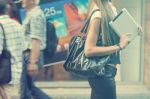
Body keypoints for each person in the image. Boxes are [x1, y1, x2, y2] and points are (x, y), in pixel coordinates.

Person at [84, 0, 139, 99]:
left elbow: (115, 40)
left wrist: (131, 31)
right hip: (102, 72)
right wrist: (119, 46)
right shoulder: (98, 14)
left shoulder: (109, 9)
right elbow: (88, 50)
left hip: (105, 71)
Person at [20, 0, 51, 99]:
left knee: (25, 90)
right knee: (27, 89)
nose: (21, 0)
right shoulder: (31, 14)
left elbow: (36, 39)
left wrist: (33, 62)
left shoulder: (36, 15)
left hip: (30, 55)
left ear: (33, 1)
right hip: (28, 55)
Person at [0, 0, 23, 98]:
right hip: (16, 73)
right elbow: (23, 47)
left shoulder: (0, 25)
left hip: (3, 74)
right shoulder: (17, 25)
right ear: (6, 10)